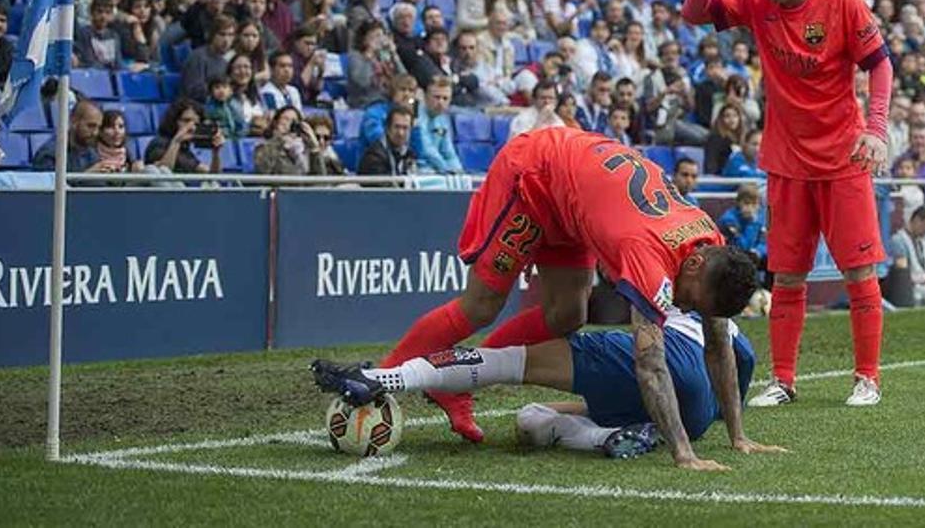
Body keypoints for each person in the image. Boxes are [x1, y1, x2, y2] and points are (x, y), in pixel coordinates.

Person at [312, 127, 773, 471]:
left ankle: (455, 380)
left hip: (574, 197)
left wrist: (738, 436)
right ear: (694, 267)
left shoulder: (709, 242)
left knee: (567, 314)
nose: (687, 310)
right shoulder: (649, 254)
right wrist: (684, 454)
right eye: (692, 301)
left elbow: (718, 340)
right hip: (533, 178)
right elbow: (650, 366)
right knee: (482, 305)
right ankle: (379, 379)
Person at [683, 0, 893, 408]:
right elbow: (694, 14)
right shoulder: (756, 1)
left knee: (859, 272)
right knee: (788, 275)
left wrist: (876, 129)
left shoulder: (842, 1)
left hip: (844, 157)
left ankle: (867, 378)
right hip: (786, 160)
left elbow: (880, 64)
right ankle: (783, 380)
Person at [316, 310, 756, 460]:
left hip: (665, 354)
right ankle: (608, 438)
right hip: (692, 415)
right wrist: (734, 433)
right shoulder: (725, 321)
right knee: (530, 419)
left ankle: (381, 377)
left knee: (513, 361)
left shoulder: (665, 264)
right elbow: (744, 361)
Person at [144, 98, 226, 174]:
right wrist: (176, 141)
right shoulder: (158, 143)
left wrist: (216, 153)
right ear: (173, 121)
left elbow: (213, 176)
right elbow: (162, 174)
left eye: (196, 123)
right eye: (186, 121)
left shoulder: (184, 149)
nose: (192, 127)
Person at [31, 100, 108, 173]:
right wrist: (87, 175)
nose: (95, 133)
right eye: (91, 126)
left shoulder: (91, 152)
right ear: (74, 121)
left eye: (98, 127)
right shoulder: (49, 154)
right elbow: (48, 185)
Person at [253, 105, 326, 176]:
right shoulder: (263, 147)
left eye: (294, 121)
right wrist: (280, 139)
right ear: (276, 122)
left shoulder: (304, 150)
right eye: (286, 119)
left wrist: (314, 148)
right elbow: (263, 172)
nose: (290, 124)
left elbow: (320, 179)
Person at [415, 77, 464, 174]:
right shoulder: (416, 115)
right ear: (426, 97)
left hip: (438, 169)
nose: (441, 102)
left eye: (445, 98)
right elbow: (426, 150)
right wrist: (447, 169)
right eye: (437, 97)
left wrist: (459, 171)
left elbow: (449, 152)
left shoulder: (443, 119)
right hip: (419, 168)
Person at [717, 184, 767, 275]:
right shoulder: (729, 219)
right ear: (738, 203)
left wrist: (759, 251)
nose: (750, 208)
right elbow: (743, 247)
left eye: (754, 204)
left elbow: (764, 241)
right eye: (747, 203)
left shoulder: (760, 216)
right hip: (732, 256)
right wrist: (752, 223)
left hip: (752, 256)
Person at [358, 104, 418, 177]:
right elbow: (385, 187)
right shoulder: (374, 157)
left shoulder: (409, 155)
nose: (400, 133)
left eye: (405, 128)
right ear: (387, 128)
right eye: (397, 127)